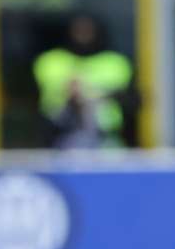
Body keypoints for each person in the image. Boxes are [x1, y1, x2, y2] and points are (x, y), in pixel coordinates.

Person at [34, 14, 134, 149]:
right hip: (62, 135)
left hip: (106, 138)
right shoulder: (51, 60)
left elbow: (126, 97)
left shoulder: (115, 62)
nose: (83, 35)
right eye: (78, 30)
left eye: (88, 30)